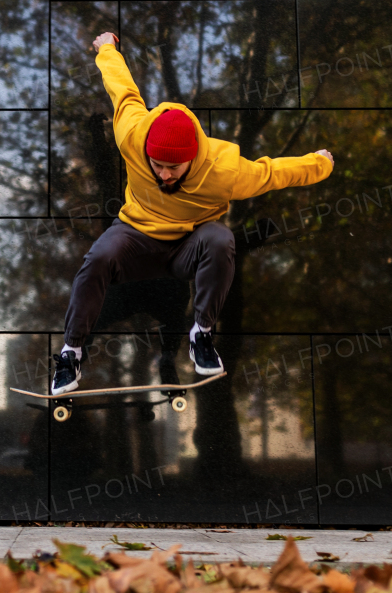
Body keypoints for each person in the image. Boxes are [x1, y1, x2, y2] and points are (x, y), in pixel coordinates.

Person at [51, 32, 336, 394]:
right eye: (157, 166)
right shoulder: (132, 134)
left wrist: (319, 165)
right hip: (134, 237)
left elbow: (272, 173)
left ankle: (201, 335)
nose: (164, 175)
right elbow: (121, 87)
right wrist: (106, 46)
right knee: (98, 257)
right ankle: (71, 353)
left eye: (174, 168)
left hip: (185, 251)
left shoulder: (224, 170)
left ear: (193, 157)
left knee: (220, 238)